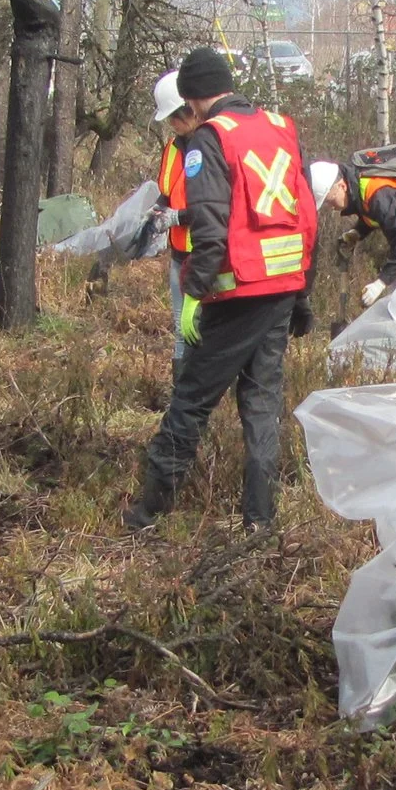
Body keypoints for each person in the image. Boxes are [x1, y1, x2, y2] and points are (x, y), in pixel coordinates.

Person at [124, 46, 318, 531]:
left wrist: (193, 292)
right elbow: (307, 216)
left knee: (190, 399)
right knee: (261, 403)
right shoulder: (280, 127)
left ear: (191, 101)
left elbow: (209, 225)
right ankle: (260, 519)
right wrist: (302, 291)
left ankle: (149, 511)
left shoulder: (209, 139)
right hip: (281, 287)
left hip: (236, 292)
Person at [321, 149, 396, 301]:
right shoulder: (357, 183)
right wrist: (357, 232)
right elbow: (376, 214)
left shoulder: (376, 196)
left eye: (330, 201)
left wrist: (380, 283)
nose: (331, 207)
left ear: (341, 186)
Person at [150, 68, 202, 361]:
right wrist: (159, 207)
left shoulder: (211, 145)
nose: (170, 123)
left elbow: (217, 206)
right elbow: (169, 189)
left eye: (173, 116)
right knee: (181, 332)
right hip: (179, 254)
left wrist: (178, 217)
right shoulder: (172, 147)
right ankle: (181, 398)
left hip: (207, 256)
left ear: (190, 111)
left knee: (200, 330)